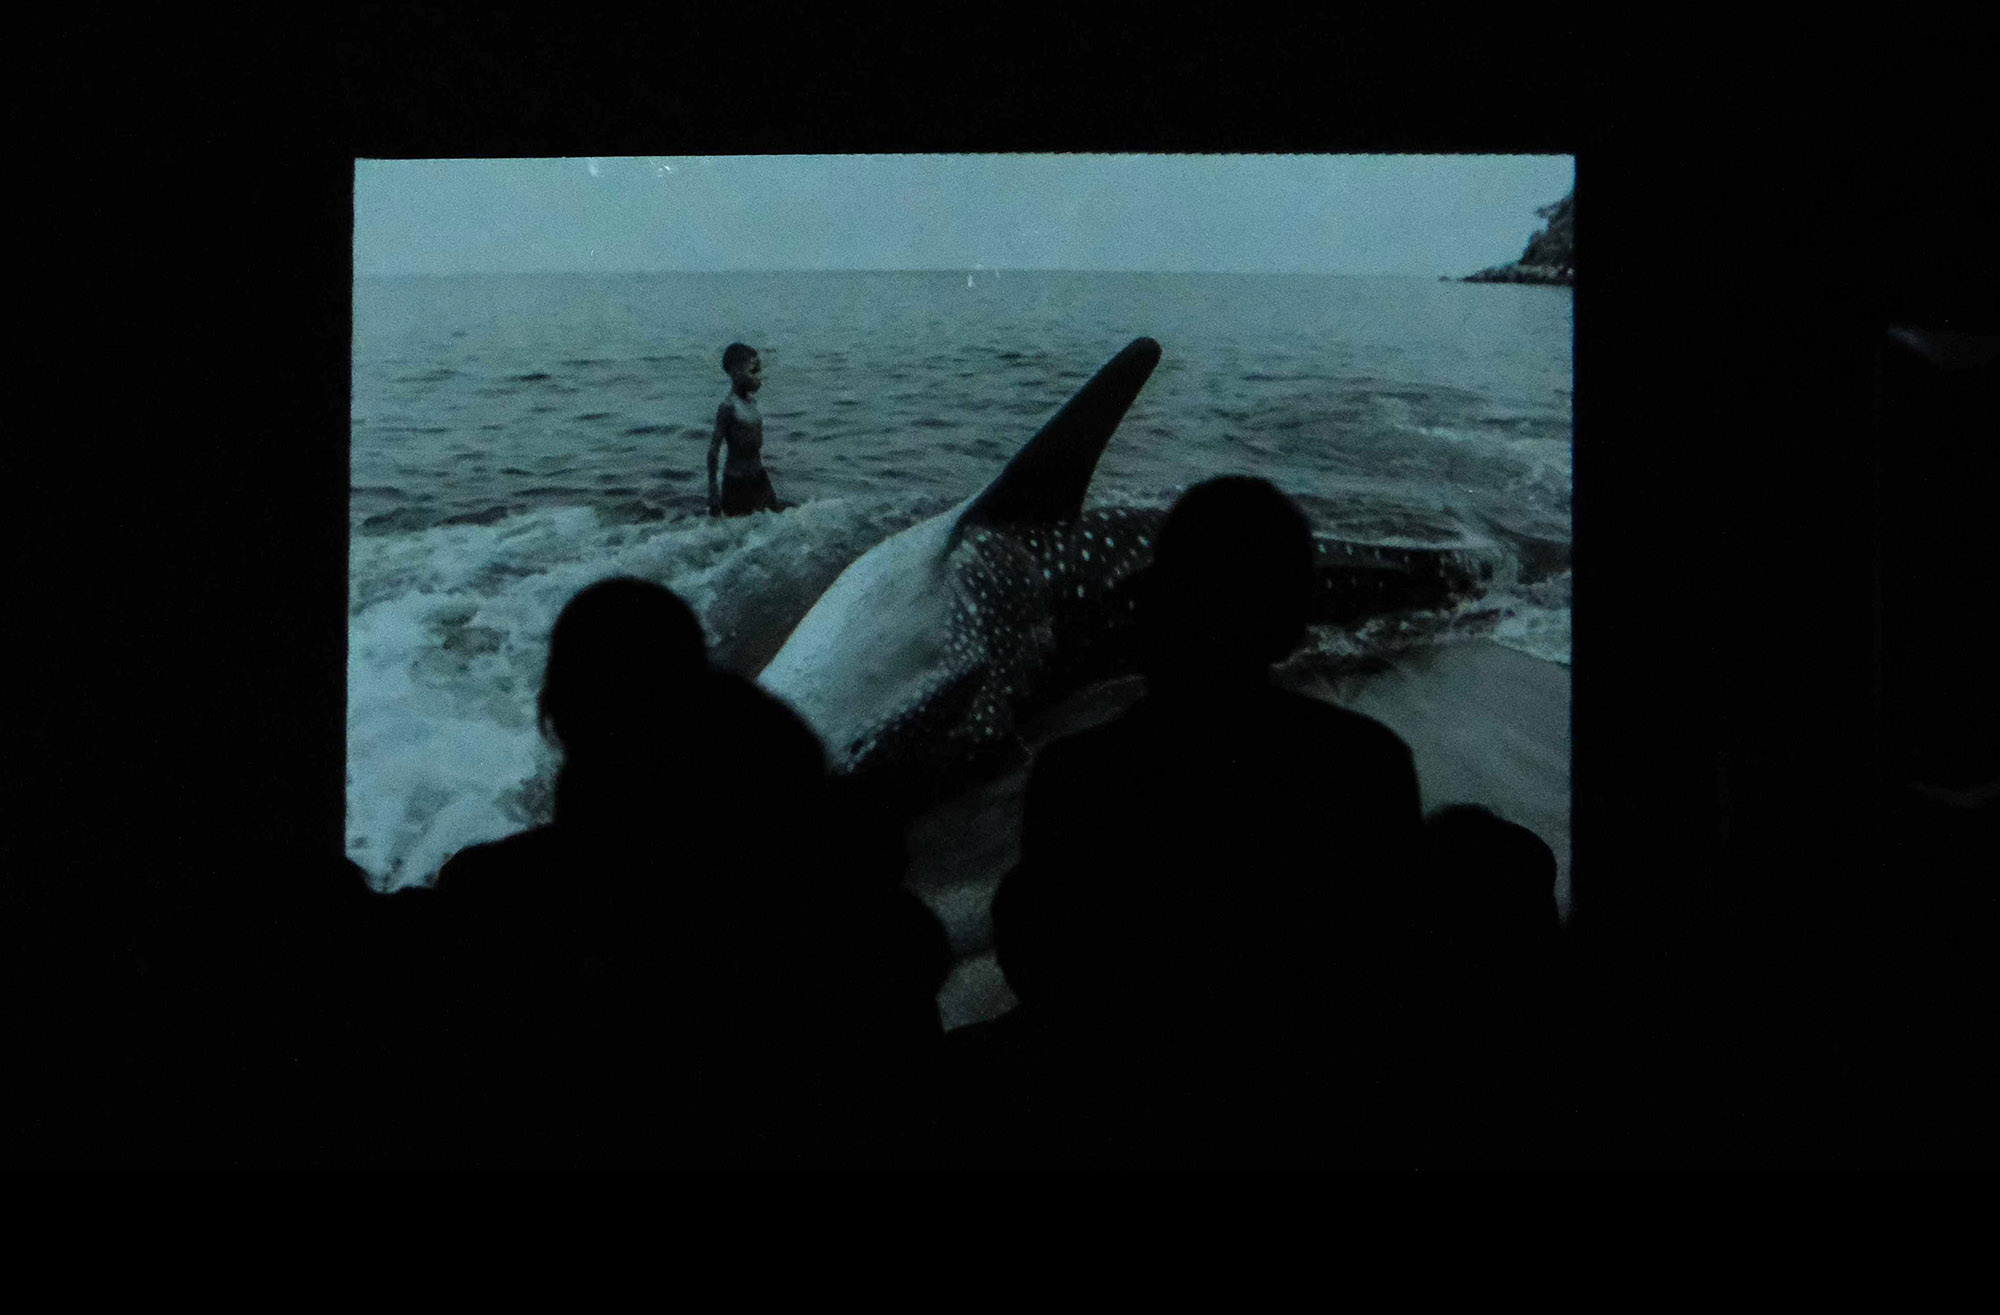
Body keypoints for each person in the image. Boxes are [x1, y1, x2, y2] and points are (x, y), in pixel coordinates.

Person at [982, 476, 1427, 1166]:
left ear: (1155, 604)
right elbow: (1389, 973)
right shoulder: (1369, 764)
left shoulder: (1077, 775)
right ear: (1293, 626)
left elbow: (1042, 968)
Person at [707, 342, 791, 517]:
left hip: (759, 476)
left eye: (759, 373)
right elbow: (714, 450)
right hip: (737, 482)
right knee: (739, 527)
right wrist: (713, 491)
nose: (759, 379)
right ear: (735, 372)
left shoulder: (752, 403)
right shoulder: (728, 407)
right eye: (753, 372)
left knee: (777, 521)